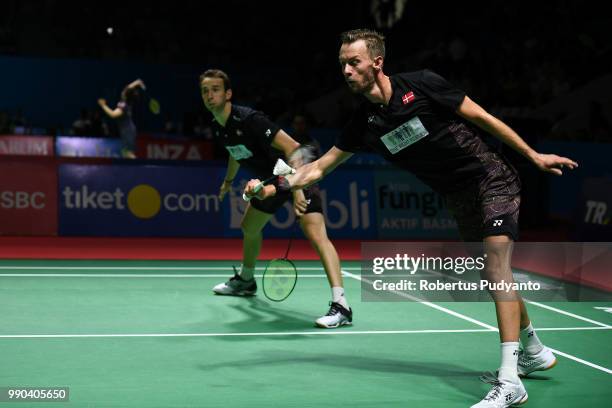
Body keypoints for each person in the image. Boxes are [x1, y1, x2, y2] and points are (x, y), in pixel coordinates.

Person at [245, 29, 579, 407]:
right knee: (491, 274)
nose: (347, 71)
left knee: (497, 268)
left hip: (490, 178)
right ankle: (534, 349)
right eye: (342, 65)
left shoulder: (421, 85)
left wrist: (532, 156)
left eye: (354, 62)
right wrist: (273, 186)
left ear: (377, 62)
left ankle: (509, 380)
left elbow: (482, 117)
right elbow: (318, 168)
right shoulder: (363, 123)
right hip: (458, 197)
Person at [200, 69, 352, 328]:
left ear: (228, 94)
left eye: (215, 89)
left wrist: (297, 190)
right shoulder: (219, 126)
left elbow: (293, 147)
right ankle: (246, 281)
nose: (209, 95)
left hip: (297, 173)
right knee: (249, 227)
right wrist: (227, 181)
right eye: (205, 90)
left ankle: (342, 305)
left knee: (315, 234)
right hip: (270, 183)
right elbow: (235, 153)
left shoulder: (249, 119)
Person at [98, 79, 146, 158]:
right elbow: (128, 88)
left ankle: (137, 168)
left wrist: (103, 105)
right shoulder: (128, 100)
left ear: (125, 95)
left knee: (128, 153)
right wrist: (137, 82)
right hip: (128, 129)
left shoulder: (123, 105)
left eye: (124, 91)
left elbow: (113, 114)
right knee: (125, 153)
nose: (123, 91)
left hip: (127, 131)